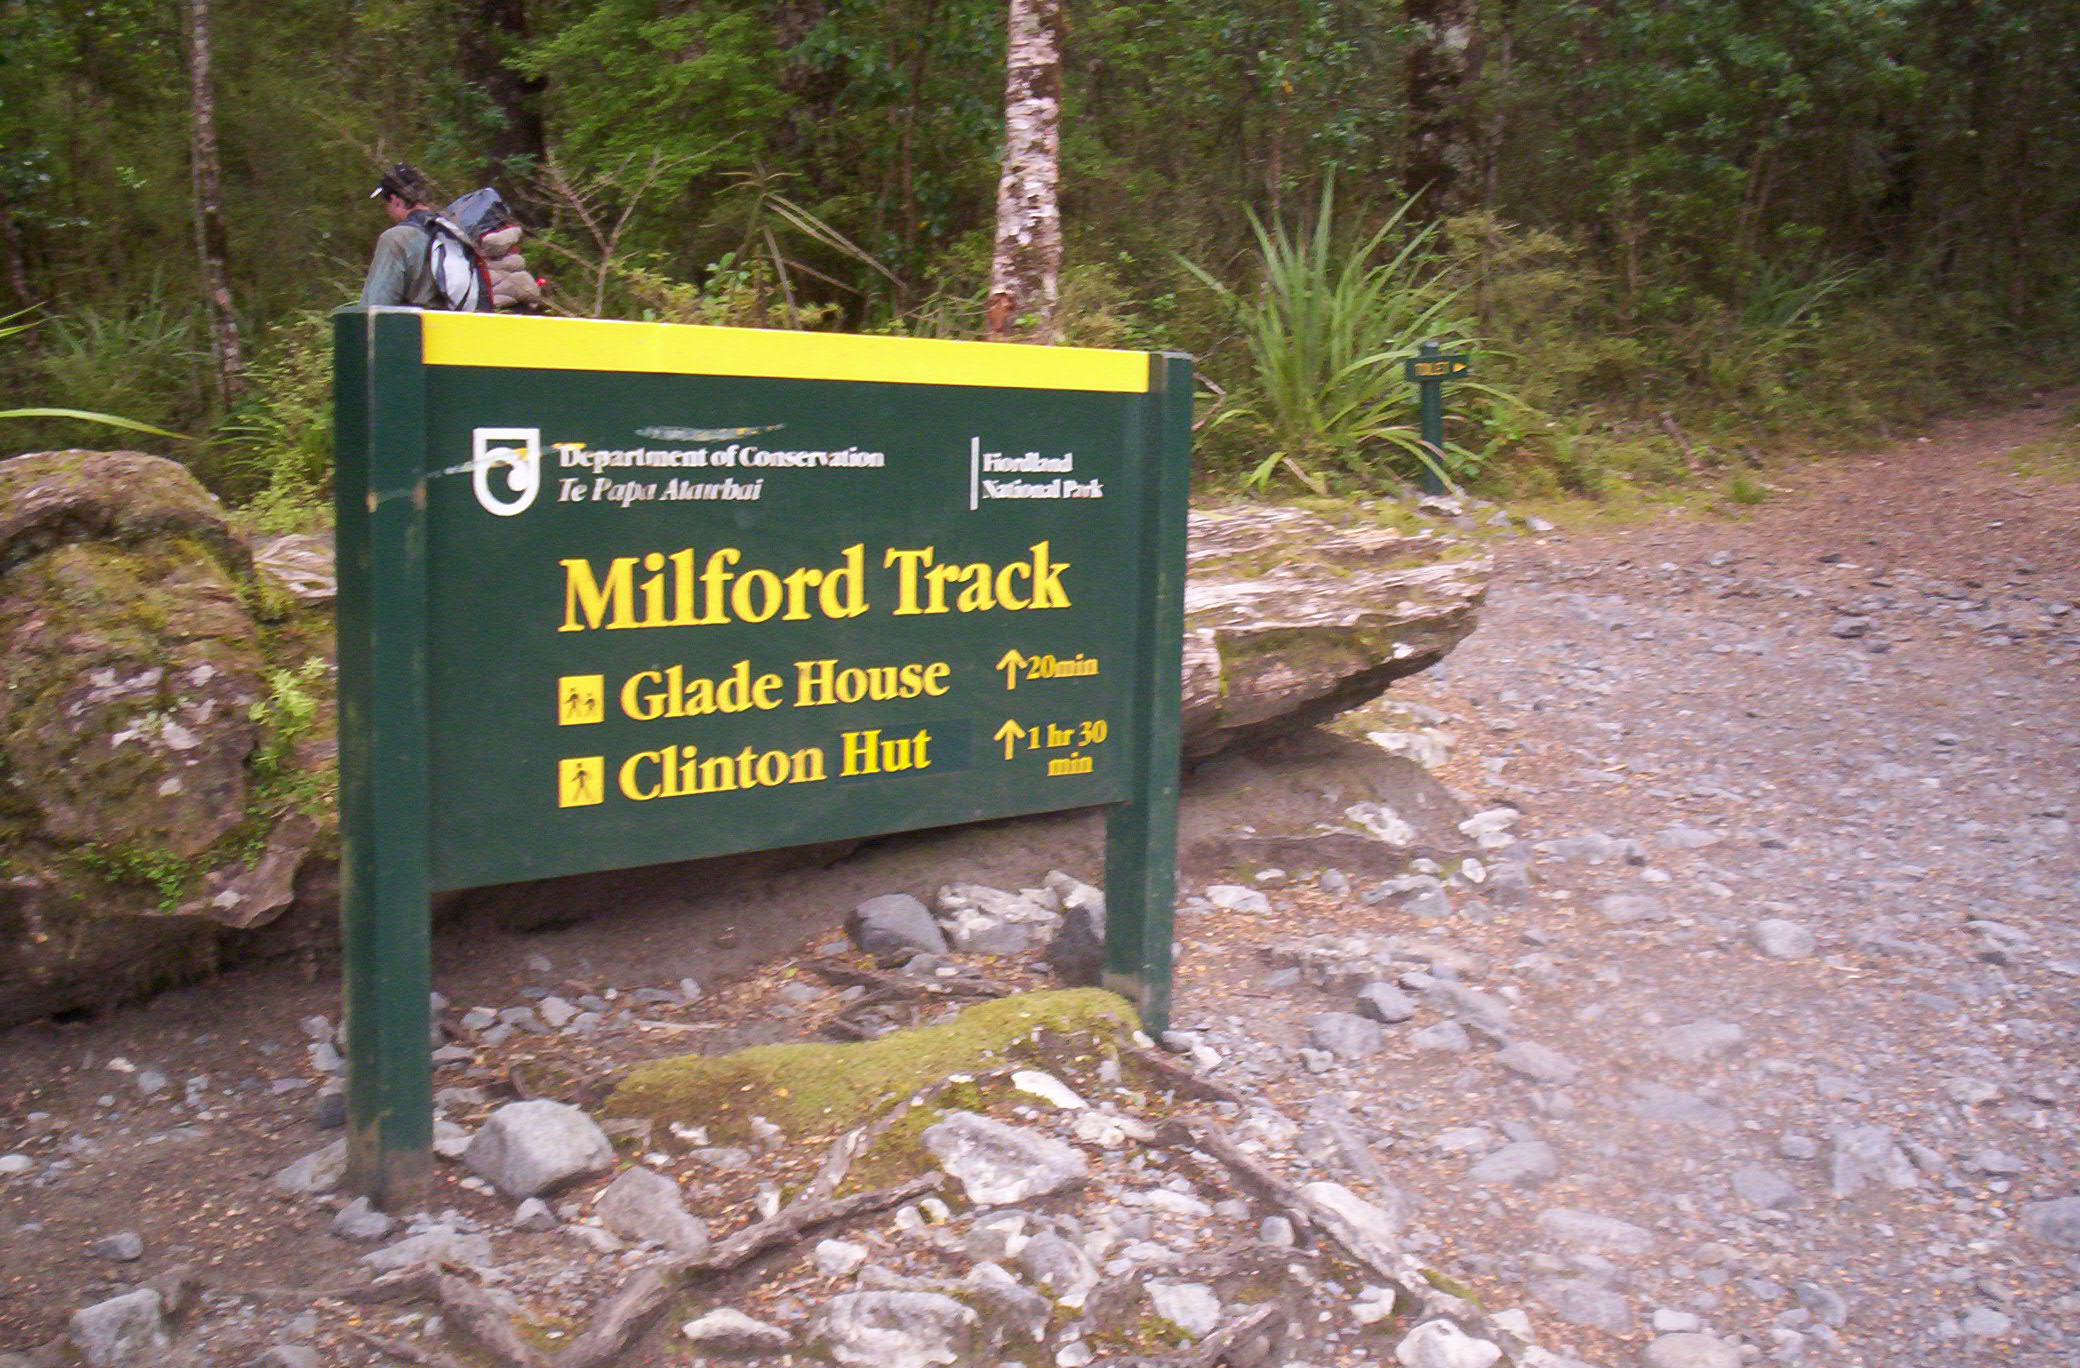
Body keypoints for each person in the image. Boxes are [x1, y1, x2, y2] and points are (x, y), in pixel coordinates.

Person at [360, 163, 440, 307]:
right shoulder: (452, 230)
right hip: (458, 326)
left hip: (415, 328)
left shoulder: (396, 239)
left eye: (386, 204)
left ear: (396, 202)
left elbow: (376, 306)